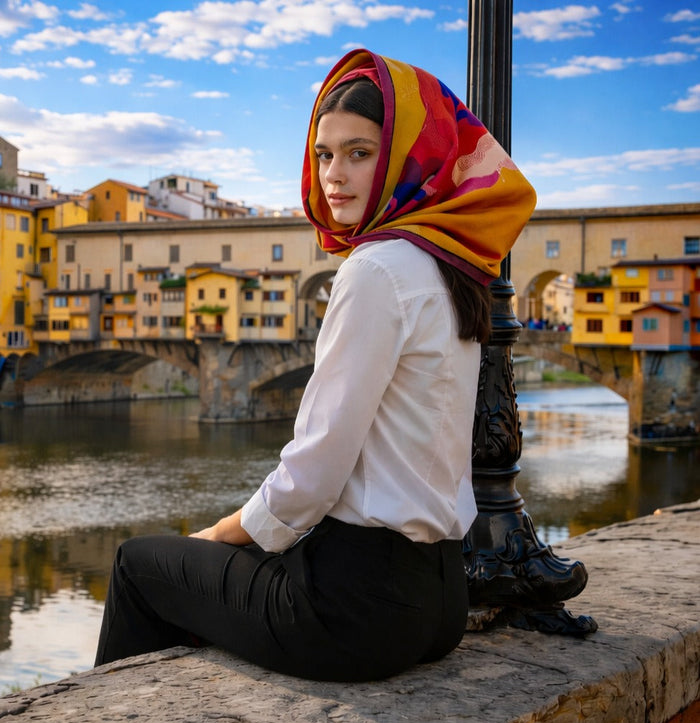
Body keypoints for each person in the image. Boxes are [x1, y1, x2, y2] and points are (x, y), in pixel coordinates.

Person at [94, 48, 536, 682]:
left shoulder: (375, 269)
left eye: (360, 153)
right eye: (324, 154)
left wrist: (222, 533)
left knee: (140, 565)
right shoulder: (448, 268)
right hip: (438, 598)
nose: (334, 175)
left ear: (406, 160)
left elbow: (317, 466)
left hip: (356, 610)